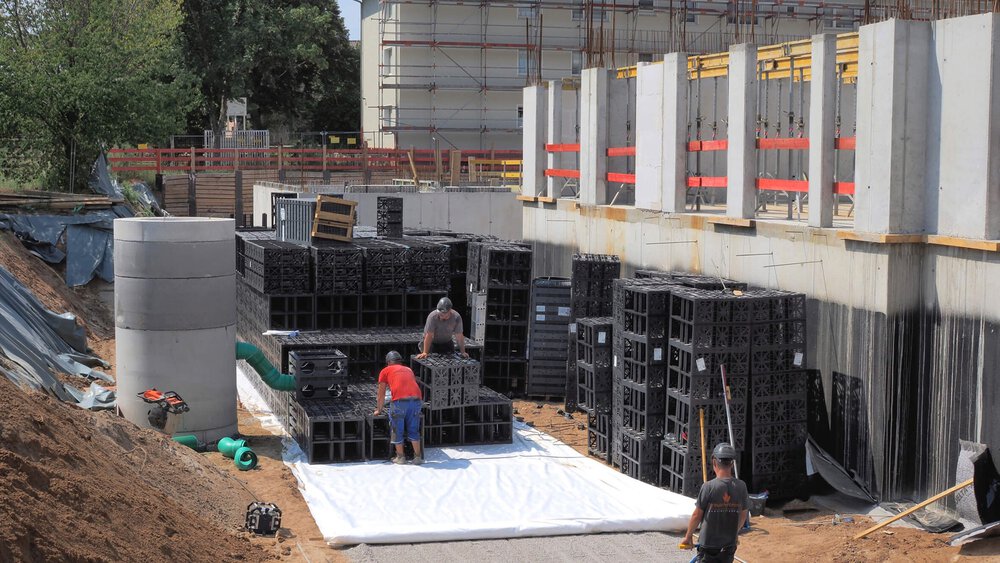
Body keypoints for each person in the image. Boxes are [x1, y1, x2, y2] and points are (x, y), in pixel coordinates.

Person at [681, 443, 750, 563]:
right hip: (728, 546)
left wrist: (688, 536)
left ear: (714, 462)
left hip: (708, 545)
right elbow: (743, 515)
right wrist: (734, 533)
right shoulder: (741, 486)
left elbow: (697, 515)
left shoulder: (708, 487)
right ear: (732, 464)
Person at [373, 351, 424, 465]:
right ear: (400, 361)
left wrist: (379, 410)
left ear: (388, 362)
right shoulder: (408, 369)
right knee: (413, 429)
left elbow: (381, 394)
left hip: (400, 402)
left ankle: (400, 457)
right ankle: (417, 457)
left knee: (397, 429)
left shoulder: (385, 370)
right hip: (416, 401)